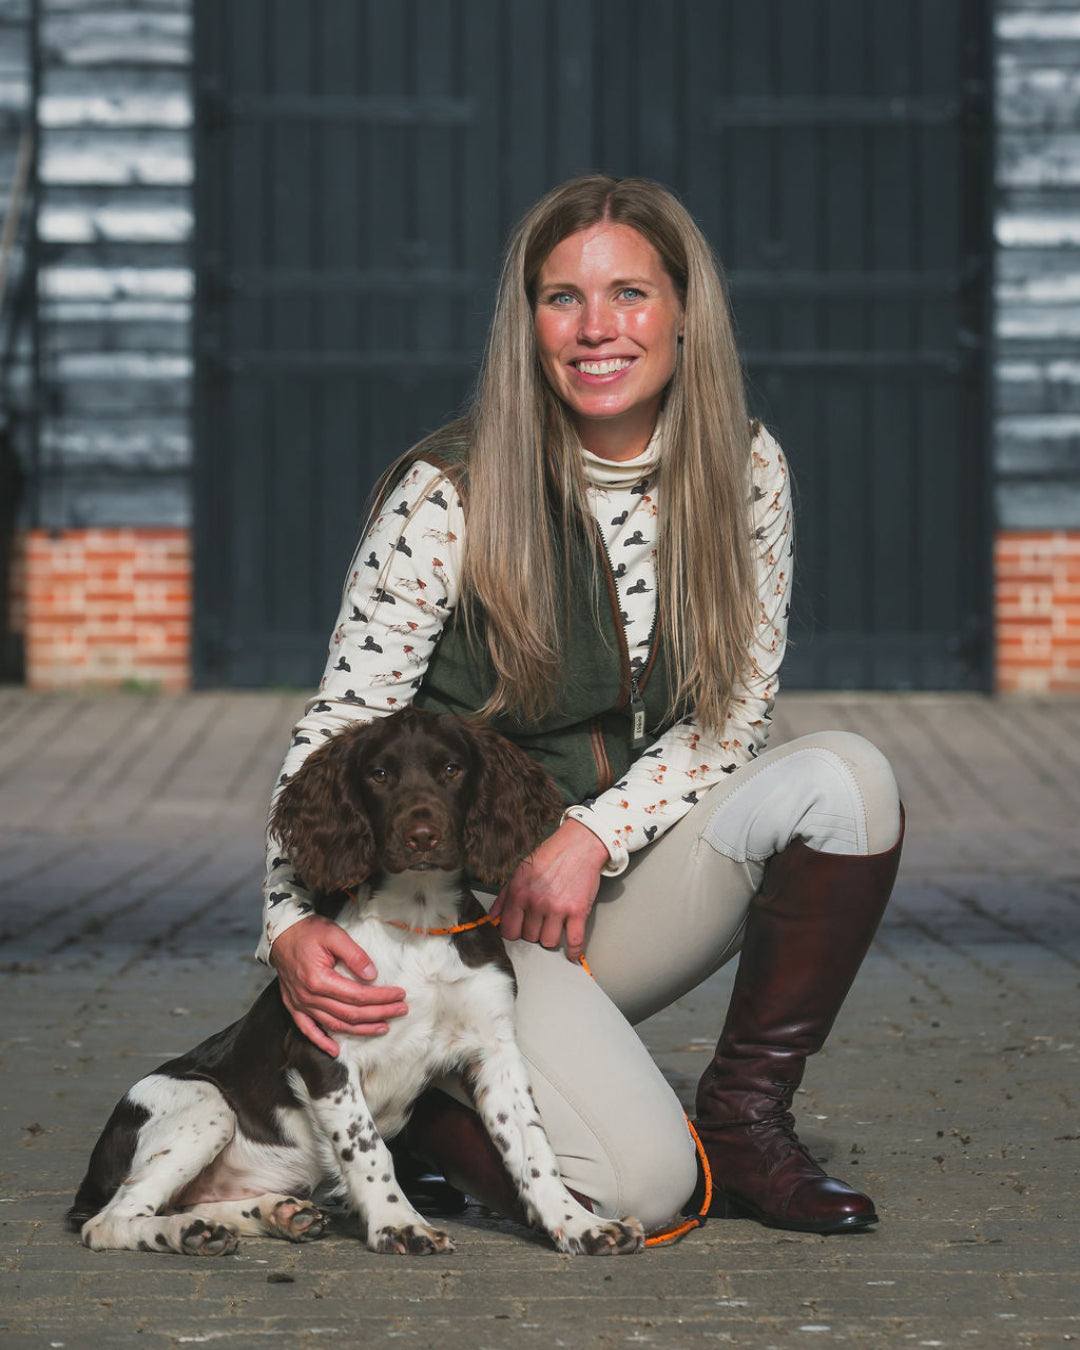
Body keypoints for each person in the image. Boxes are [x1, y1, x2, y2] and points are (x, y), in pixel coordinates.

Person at [259, 174, 904, 1237]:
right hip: (468, 923)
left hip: (614, 887)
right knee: (640, 1194)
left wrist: (591, 837)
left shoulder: (746, 470)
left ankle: (745, 1122)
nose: (597, 329)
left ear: (686, 311)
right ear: (529, 324)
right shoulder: (448, 491)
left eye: (630, 295)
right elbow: (340, 727)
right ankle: (413, 1101)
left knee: (850, 781)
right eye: (563, 298)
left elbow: (732, 723)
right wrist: (286, 924)